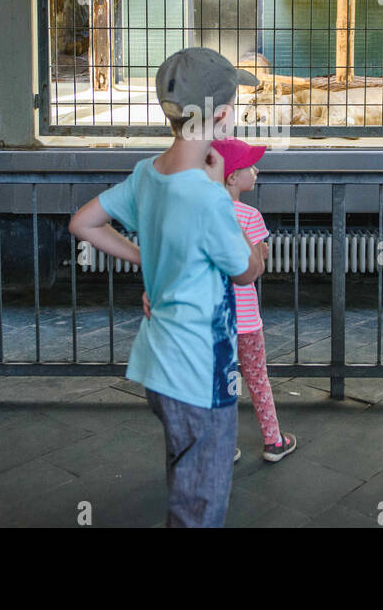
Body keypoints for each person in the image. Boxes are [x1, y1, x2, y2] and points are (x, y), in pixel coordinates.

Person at [68, 47, 265, 527]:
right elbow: (246, 271)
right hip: (200, 376)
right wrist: (229, 203)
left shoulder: (147, 175)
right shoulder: (207, 196)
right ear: (220, 117)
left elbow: (84, 223)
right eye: (233, 107)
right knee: (201, 507)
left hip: (159, 367)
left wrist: (144, 254)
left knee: (186, 484)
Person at [209, 137, 296, 462]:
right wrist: (261, 252)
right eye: (249, 166)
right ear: (232, 177)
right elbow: (255, 267)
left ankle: (224, 445)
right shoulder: (250, 216)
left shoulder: (204, 214)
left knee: (221, 383)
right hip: (246, 320)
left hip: (215, 320)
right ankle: (274, 441)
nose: (256, 170)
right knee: (258, 378)